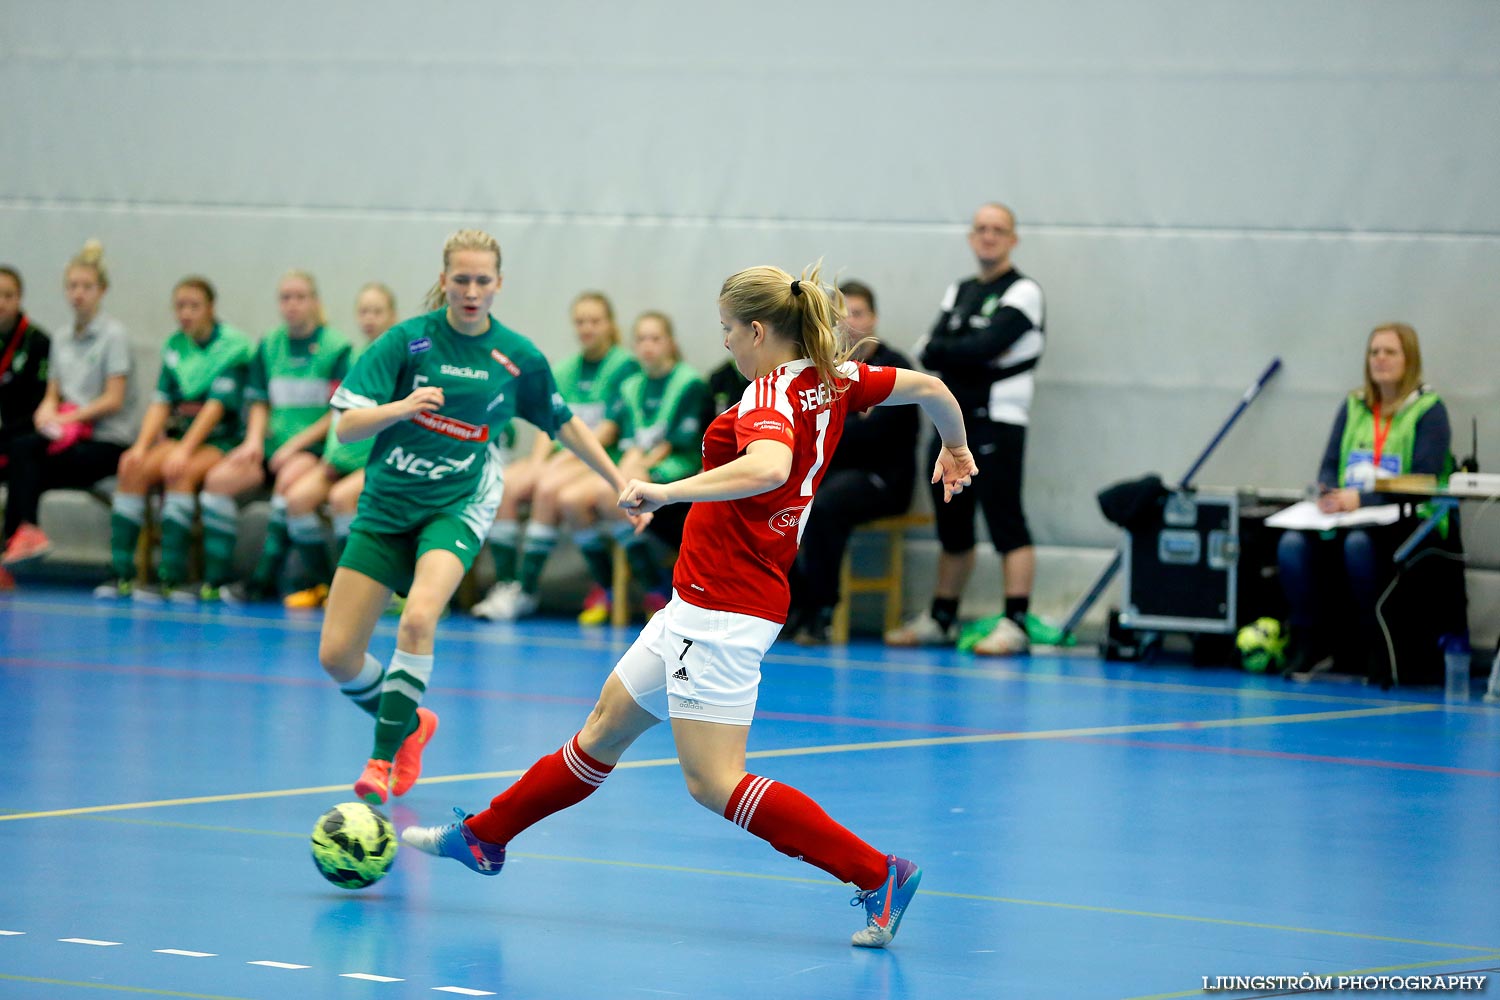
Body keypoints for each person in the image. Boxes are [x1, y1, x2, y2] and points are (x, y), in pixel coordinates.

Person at [401, 263, 978, 949]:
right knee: (602, 730)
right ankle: (485, 837)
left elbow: (766, 466)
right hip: (700, 601)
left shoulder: (769, 395)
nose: (727, 345)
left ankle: (876, 872)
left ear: (758, 331)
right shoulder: (835, 378)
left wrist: (668, 491)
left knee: (714, 782)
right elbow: (933, 389)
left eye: (730, 332)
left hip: (724, 610)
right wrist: (955, 444)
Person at [317, 229, 637, 806]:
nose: (470, 291)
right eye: (460, 279)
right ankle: (412, 721)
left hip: (456, 505)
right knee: (338, 656)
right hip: (387, 505)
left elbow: (564, 424)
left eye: (481, 280)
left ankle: (382, 759)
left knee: (418, 618)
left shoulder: (516, 356)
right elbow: (347, 426)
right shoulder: (407, 341)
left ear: (498, 284)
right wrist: (403, 407)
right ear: (444, 280)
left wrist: (619, 482)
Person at [887, 201, 1043, 656]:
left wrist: (959, 349)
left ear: (1012, 239)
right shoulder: (960, 291)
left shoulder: (1024, 292)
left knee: (1004, 518)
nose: (988, 236)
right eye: (981, 229)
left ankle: (1016, 621)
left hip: (998, 422)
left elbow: (985, 345)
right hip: (951, 423)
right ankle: (942, 616)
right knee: (952, 519)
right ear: (971, 237)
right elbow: (929, 350)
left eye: (998, 229)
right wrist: (962, 350)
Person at [1277, 322, 1458, 680]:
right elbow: (1330, 463)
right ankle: (1309, 642)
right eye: (1374, 352)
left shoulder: (1428, 410)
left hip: (1407, 521)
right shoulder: (1354, 405)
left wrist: (1363, 499)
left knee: (1360, 545)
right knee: (1292, 545)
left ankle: (1373, 642)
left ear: (1409, 359)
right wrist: (1328, 491)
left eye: (1390, 352)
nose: (1380, 359)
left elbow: (1423, 480)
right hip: (1347, 514)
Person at [470, 291, 640, 621]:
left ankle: (526, 589)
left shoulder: (624, 366)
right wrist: (537, 462)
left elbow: (608, 431)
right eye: (580, 321)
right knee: (502, 484)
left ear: (609, 324)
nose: (587, 327)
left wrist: (555, 464)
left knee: (548, 490)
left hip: (597, 460)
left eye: (594, 321)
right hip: (562, 457)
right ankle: (505, 586)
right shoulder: (564, 369)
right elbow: (547, 423)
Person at [94, 277, 253, 602]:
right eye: (180, 306)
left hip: (218, 442)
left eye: (194, 306)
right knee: (132, 468)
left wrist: (183, 450)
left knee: (179, 470)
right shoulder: (174, 347)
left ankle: (173, 576)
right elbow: (161, 402)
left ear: (210, 308)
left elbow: (214, 409)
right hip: (179, 438)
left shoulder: (232, 348)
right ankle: (123, 574)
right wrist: (139, 447)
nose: (186, 313)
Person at [198, 272, 353, 603]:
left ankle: (261, 581)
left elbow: (337, 413)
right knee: (217, 481)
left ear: (315, 302)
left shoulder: (336, 347)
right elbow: (259, 401)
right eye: (285, 298)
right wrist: (254, 441)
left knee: (288, 483)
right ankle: (216, 580)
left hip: (309, 448)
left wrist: (293, 446)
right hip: (269, 446)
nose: (292, 304)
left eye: (300, 297)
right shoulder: (269, 345)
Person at [785, 281, 919, 644]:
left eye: (856, 313)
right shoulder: (825, 371)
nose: (847, 322)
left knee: (826, 506)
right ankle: (792, 601)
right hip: (833, 475)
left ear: (873, 318)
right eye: (838, 315)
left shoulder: (894, 366)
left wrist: (838, 427)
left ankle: (822, 611)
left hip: (882, 479)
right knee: (779, 503)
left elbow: (874, 436)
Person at [557, 310, 707, 624]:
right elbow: (623, 440)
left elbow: (676, 444)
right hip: (633, 464)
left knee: (611, 497)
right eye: (641, 339)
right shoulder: (631, 386)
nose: (648, 346)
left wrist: (635, 468)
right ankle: (609, 586)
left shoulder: (689, 383)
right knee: (570, 500)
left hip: (674, 468)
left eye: (656, 339)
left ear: (670, 343)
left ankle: (655, 588)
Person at [5, 244, 132, 568]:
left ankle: (22, 535)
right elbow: (53, 393)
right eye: (73, 286)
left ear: (101, 291)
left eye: (86, 287)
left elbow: (113, 398)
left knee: (26, 464)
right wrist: (46, 412)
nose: (78, 294)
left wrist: (71, 417)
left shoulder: (113, 335)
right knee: (21, 453)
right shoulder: (61, 338)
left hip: (105, 440)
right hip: (67, 434)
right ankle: (22, 537)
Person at [278, 282, 399, 610]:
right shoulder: (354, 356)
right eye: (363, 311)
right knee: (298, 500)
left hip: (376, 464)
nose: (369, 319)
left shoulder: (400, 361)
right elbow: (339, 416)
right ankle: (326, 585)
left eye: (377, 311)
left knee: (342, 499)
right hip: (337, 462)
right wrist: (331, 458)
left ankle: (360, 593)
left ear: (393, 316)